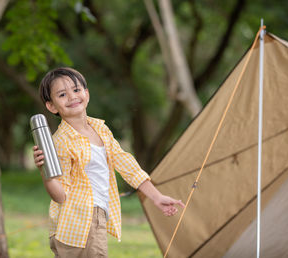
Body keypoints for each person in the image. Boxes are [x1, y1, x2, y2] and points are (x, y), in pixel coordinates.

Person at [33, 67, 184, 257]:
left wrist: (156, 197)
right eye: (62, 94)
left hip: (93, 217)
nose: (72, 97)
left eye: (76, 90)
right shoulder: (61, 142)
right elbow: (61, 196)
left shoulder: (100, 129)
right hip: (78, 222)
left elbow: (126, 164)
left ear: (86, 94)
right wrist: (46, 174)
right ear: (52, 106)